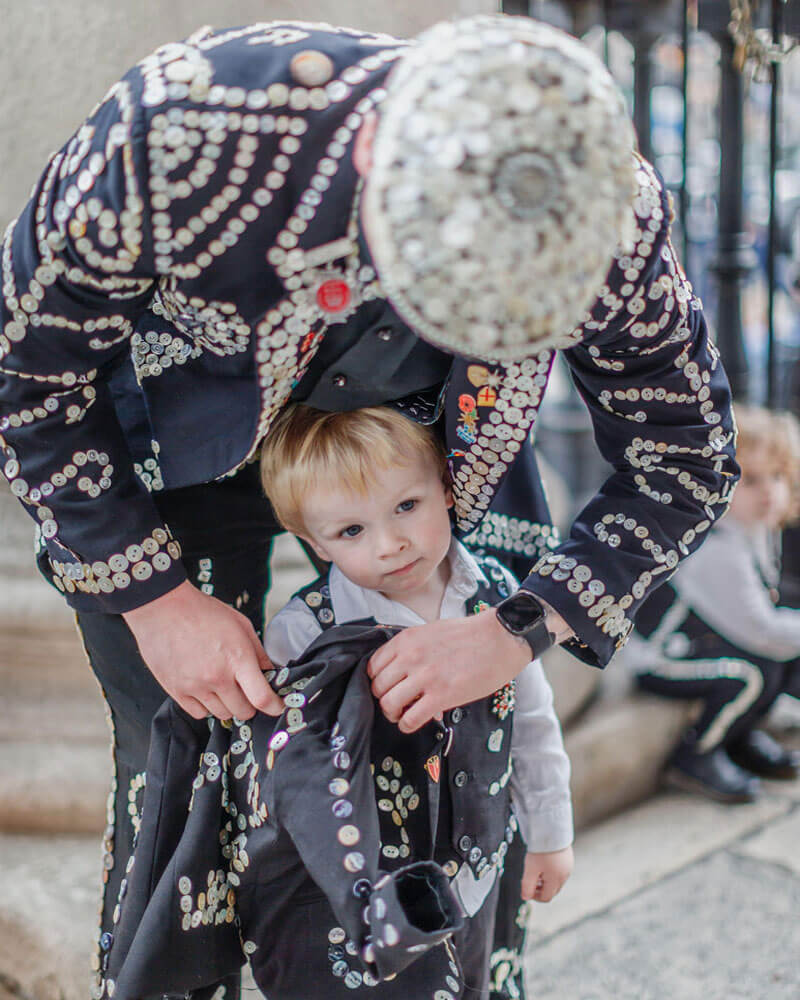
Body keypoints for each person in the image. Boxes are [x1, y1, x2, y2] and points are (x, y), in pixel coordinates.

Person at [0, 14, 737, 1000]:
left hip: (444, 443)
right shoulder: (174, 133)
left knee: (468, 739)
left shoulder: (617, 218)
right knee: (182, 756)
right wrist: (155, 602)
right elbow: (25, 381)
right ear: (368, 152)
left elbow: (684, 455)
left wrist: (517, 630)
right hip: (182, 435)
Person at [100, 403, 574, 1000]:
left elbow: (532, 723)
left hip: (478, 865)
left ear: (447, 488)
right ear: (313, 543)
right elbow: (281, 767)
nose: (391, 544)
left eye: (407, 506)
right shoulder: (304, 633)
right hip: (366, 887)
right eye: (352, 531)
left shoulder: (500, 602)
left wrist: (551, 834)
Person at [629, 404, 800, 803]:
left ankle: (738, 737)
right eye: (751, 480)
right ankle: (696, 754)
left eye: (777, 477)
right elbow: (759, 628)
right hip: (663, 657)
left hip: (705, 641)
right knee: (750, 674)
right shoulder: (718, 547)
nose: (769, 492)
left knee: (778, 658)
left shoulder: (753, 529)